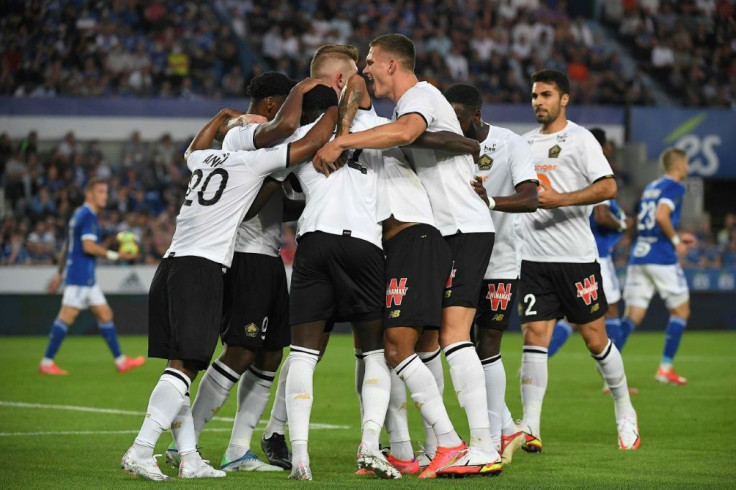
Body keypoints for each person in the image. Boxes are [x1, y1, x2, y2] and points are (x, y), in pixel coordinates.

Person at [120, 98, 339, 481]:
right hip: (201, 269)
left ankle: (188, 456)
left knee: (184, 366)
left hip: (171, 265)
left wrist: (223, 116)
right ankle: (141, 449)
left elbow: (193, 147)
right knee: (184, 367)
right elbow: (310, 139)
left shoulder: (204, 160)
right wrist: (337, 104)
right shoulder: (251, 163)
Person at [314, 33, 503, 477]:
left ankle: (479, 446)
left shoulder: (417, 96)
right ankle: (439, 445)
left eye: (371, 63)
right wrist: (467, 145)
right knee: (431, 344)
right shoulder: (408, 105)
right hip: (448, 226)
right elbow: (427, 140)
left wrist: (340, 143)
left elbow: (409, 133)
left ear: (391, 64)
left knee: (454, 337)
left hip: (461, 227)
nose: (366, 71)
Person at [163, 72, 299, 473]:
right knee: (240, 348)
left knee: (271, 351)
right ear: (273, 105)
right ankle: (182, 444)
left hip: (268, 252)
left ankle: (238, 449)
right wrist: (283, 172)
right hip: (245, 253)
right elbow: (249, 204)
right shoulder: (245, 133)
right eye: (289, 103)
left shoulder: (260, 135)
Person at [515, 69, 639, 452]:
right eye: (535, 96)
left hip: (576, 259)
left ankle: (624, 409)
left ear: (563, 99)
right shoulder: (522, 144)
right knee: (534, 337)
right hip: (533, 259)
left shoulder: (581, 139)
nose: (539, 102)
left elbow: (608, 187)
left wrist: (560, 199)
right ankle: (531, 425)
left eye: (546, 95)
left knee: (595, 339)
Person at [443, 83, 539, 464]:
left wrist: (493, 201)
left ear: (476, 116)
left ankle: (499, 431)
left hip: (500, 261)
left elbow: (531, 198)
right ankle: (498, 429)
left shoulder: (510, 144)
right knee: (455, 341)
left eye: (458, 118)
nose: (452, 125)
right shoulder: (448, 147)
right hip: (460, 256)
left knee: (488, 344)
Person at [40, 179, 144, 375]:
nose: (105, 196)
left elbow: (66, 248)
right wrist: (116, 256)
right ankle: (46, 362)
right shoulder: (88, 216)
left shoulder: (78, 215)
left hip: (84, 276)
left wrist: (59, 274)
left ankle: (121, 361)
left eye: (106, 192)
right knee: (66, 317)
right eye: (100, 192)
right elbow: (88, 247)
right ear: (89, 194)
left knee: (105, 314)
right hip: (80, 277)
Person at [620, 148, 691, 385]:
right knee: (681, 311)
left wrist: (677, 235)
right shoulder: (675, 187)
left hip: (640, 255)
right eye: (686, 163)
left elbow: (645, 220)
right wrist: (676, 242)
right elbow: (661, 216)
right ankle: (665, 369)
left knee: (632, 317)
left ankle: (610, 373)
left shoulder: (652, 187)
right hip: (661, 257)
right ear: (679, 165)